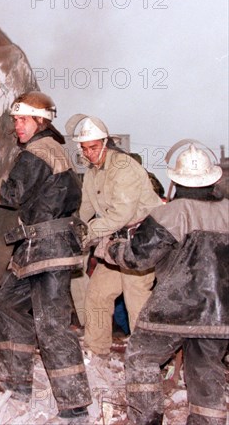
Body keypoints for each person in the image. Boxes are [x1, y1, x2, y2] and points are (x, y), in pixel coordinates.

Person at [0, 92, 92, 421]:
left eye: (22, 119)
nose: (16, 126)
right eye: (15, 120)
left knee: (51, 325)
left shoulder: (39, 151)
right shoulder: (51, 149)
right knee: (8, 304)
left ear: (41, 121)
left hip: (48, 248)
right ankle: (16, 384)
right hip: (37, 246)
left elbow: (13, 193)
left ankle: (75, 408)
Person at [102, 141, 228, 425]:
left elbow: (137, 258)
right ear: (212, 180)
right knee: (206, 369)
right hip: (221, 313)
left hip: (174, 309)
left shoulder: (171, 213)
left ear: (175, 181)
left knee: (142, 357)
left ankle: (146, 419)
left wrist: (108, 248)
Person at [69, 115, 163, 357]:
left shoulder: (124, 167)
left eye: (94, 147)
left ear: (105, 142)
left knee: (136, 300)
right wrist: (69, 226)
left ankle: (146, 359)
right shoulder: (92, 172)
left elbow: (120, 214)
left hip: (140, 243)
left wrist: (86, 235)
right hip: (116, 244)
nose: (89, 153)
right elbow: (85, 208)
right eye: (85, 148)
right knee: (97, 294)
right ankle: (96, 351)